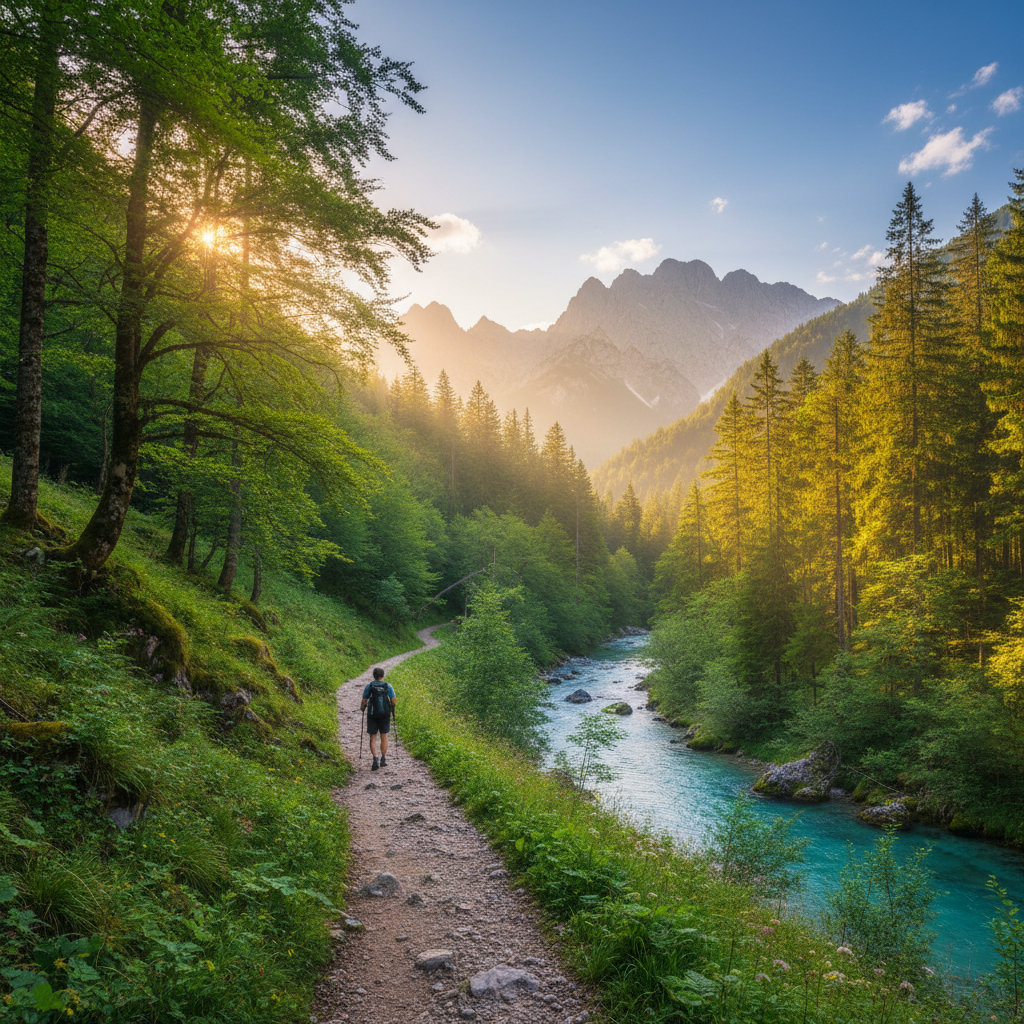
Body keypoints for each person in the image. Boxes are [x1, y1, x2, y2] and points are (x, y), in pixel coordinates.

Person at [361, 667, 396, 770]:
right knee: (384, 736)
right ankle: (383, 759)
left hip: (372, 714)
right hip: (384, 714)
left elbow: (364, 701)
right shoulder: (388, 686)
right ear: (383, 675)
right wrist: (391, 707)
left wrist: (362, 708)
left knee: (373, 737)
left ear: (374, 675)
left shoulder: (370, 686)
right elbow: (393, 700)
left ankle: (375, 758)